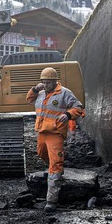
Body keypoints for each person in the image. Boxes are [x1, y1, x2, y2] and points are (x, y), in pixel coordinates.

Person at [26, 67, 84, 212]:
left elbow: (78, 107)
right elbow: (29, 99)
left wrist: (69, 115)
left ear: (54, 81)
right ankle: (54, 170)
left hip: (55, 133)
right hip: (42, 132)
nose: (45, 85)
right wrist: (34, 89)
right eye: (43, 82)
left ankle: (51, 200)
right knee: (41, 154)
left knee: (55, 164)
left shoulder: (64, 93)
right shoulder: (39, 94)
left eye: (48, 83)